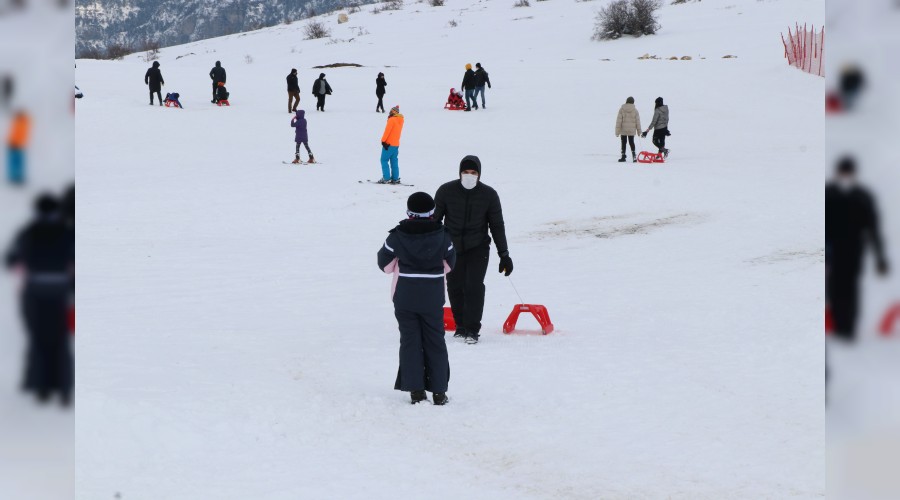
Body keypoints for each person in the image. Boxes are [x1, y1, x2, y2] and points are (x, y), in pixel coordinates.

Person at [377, 192, 456, 405]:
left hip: (405, 297)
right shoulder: (442, 235)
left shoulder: (397, 235)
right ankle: (439, 392)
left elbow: (384, 265)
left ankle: (416, 390)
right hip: (432, 298)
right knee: (435, 341)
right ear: (432, 212)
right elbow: (450, 264)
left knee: (410, 341)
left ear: (409, 212)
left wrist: (400, 265)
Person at [5, 194, 75, 406]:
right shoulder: (67, 232)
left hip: (34, 290)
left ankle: (42, 388)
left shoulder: (28, 232)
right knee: (61, 340)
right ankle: (64, 389)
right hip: (60, 290)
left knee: (38, 339)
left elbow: (10, 259)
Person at [433, 155, 512, 344]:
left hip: (478, 247)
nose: (469, 176)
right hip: (452, 248)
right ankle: (460, 326)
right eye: (466, 172)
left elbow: (497, 225)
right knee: (455, 286)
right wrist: (432, 247)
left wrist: (504, 254)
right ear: (460, 173)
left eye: (473, 173)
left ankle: (472, 329)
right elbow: (434, 221)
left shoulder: (489, 195)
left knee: (474, 286)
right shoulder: (446, 191)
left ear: (479, 174)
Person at [825, 156, 889, 341]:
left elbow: (873, 228)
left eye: (848, 172)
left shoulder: (863, 196)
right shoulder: (828, 194)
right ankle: (838, 327)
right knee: (834, 288)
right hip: (831, 251)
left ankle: (849, 328)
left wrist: (880, 258)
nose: (845, 176)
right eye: (843, 172)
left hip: (854, 251)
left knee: (851, 289)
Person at [378, 105, 404, 184]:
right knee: (394, 161)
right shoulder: (400, 120)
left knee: (384, 160)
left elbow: (387, 131)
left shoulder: (392, 120)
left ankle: (386, 178)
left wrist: (383, 141)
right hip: (396, 144)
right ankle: (395, 178)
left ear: (393, 112)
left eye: (391, 111)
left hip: (388, 144)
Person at [6, 110, 29, 185]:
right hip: (16, 144)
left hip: (16, 145)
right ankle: (15, 176)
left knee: (16, 162)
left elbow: (17, 134)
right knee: (16, 162)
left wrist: (13, 142)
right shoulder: (20, 122)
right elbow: (13, 133)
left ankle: (16, 177)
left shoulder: (21, 122)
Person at [615, 96, 641, 163]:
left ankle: (623, 156)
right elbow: (638, 122)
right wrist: (639, 132)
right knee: (631, 142)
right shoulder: (635, 110)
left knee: (623, 142)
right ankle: (634, 157)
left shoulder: (621, 109)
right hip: (631, 130)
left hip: (623, 129)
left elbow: (619, 121)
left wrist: (617, 132)